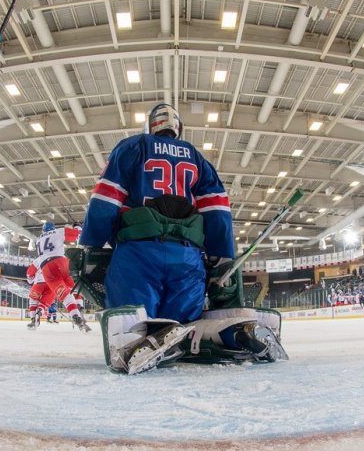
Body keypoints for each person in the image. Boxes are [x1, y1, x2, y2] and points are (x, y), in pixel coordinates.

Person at [80, 103, 284, 373]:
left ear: (150, 125)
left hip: (138, 254)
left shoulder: (133, 146)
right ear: (178, 128)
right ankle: (233, 334)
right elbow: (216, 209)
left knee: (133, 322)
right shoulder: (197, 158)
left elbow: (107, 196)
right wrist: (221, 255)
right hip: (188, 257)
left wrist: (91, 243)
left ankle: (141, 345)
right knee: (184, 329)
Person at [32, 221, 91, 332]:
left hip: (46, 268)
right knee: (75, 286)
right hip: (60, 261)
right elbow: (78, 234)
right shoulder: (58, 231)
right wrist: (77, 225)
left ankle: (76, 316)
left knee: (64, 295)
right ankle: (79, 306)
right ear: (53, 227)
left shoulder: (38, 240)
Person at [25, 263, 54, 329]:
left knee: (33, 301)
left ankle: (33, 320)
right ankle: (40, 311)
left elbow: (30, 277)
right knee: (43, 304)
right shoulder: (56, 259)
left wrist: (30, 278)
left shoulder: (38, 260)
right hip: (51, 285)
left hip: (38, 283)